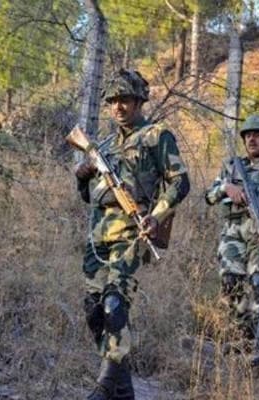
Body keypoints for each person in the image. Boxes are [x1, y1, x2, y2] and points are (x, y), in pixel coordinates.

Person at [74, 69, 190, 399]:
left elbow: (180, 182)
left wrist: (156, 216)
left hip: (133, 230)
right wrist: (83, 175)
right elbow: (89, 196)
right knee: (94, 311)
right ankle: (123, 391)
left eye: (124, 99)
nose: (118, 106)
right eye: (112, 101)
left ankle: (104, 386)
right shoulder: (106, 145)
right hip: (99, 235)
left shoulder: (156, 135)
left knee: (114, 304)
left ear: (139, 101)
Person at [205, 115, 259, 367]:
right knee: (230, 283)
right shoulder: (232, 166)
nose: (251, 139)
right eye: (248, 135)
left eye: (257, 135)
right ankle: (242, 338)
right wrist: (226, 188)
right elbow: (208, 196)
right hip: (233, 231)